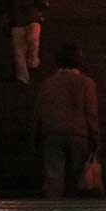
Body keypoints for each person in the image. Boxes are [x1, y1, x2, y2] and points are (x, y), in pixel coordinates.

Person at [34, 44, 99, 198]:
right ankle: (75, 206)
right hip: (79, 134)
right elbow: (91, 113)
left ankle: (54, 207)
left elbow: (39, 111)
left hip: (52, 132)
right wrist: (95, 137)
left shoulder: (48, 83)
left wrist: (37, 134)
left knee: (54, 176)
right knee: (77, 176)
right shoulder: (86, 83)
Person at [9, 0, 47, 84]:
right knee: (18, 51)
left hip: (32, 19)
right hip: (17, 21)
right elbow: (9, 4)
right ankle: (22, 77)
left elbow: (44, 3)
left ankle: (33, 61)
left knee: (32, 41)